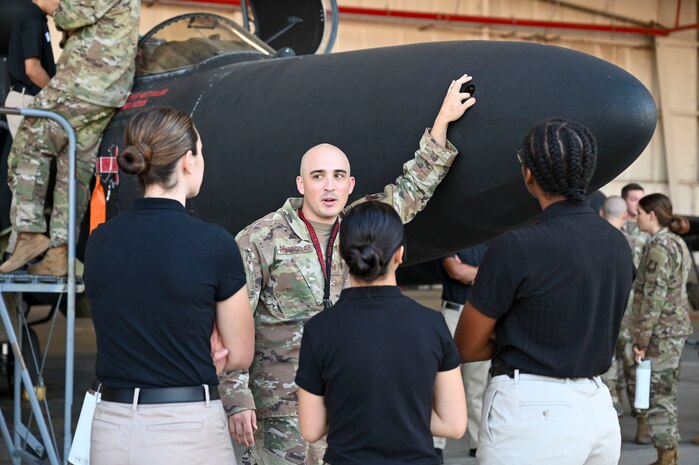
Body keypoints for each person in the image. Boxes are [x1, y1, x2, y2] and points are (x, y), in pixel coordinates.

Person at [220, 74, 477, 465]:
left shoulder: (363, 227)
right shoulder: (259, 240)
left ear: (350, 183)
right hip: (278, 419)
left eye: (338, 176)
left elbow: (414, 186)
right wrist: (236, 398)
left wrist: (442, 120)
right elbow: (230, 324)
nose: (329, 186)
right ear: (300, 183)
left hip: (348, 410)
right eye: (318, 176)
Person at [454, 118, 635, 465]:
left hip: (533, 413)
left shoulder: (517, 246)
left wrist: (522, 341)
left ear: (528, 175)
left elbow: (467, 345)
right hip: (597, 408)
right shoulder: (618, 244)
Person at [83, 107, 254, 465]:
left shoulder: (100, 241)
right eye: (200, 151)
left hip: (110, 427)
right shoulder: (214, 244)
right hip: (184, 429)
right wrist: (202, 346)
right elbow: (239, 353)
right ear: (187, 161)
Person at [295, 201, 467, 465]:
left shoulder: (319, 329)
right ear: (400, 254)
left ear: (341, 254)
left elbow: (311, 429)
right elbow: (454, 424)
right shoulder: (432, 324)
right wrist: (403, 414)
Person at [0, 0, 140, 276]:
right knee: (73, 169)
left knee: (28, 142)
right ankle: (59, 253)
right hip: (107, 90)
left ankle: (27, 232)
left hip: (83, 83)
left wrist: (58, 9)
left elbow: (68, 15)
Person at [631, 193, 691, 465]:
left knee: (659, 397)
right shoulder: (676, 242)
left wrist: (641, 339)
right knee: (665, 393)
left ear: (651, 215)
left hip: (661, 334)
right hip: (674, 330)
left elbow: (652, 297)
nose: (637, 218)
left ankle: (666, 457)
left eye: (640, 213)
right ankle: (668, 454)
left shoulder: (659, 247)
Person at [433, 244, 489, 460]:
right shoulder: (450, 239)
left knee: (477, 383)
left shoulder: (490, 239)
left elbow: (492, 272)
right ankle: (436, 444)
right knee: (442, 379)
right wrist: (483, 272)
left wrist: (471, 272)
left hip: (479, 315)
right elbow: (456, 271)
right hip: (453, 311)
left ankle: (477, 443)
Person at [599, 196, 645, 418]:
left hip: (604, 313)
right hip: (630, 314)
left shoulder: (595, 242)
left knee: (607, 366)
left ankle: (612, 413)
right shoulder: (637, 243)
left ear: (601, 213)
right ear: (625, 214)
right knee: (633, 365)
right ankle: (642, 419)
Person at [4, 0, 58, 138]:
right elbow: (32, 69)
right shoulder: (32, 20)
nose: (61, 3)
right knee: (31, 157)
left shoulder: (37, 18)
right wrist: (56, 96)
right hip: (26, 99)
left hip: (30, 98)